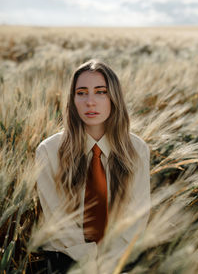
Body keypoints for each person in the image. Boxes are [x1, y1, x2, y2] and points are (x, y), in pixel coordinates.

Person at [35, 59, 151, 273]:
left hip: (120, 259)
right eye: (81, 92)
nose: (90, 101)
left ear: (114, 97)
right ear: (72, 99)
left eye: (101, 92)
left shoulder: (136, 149)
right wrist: (89, 263)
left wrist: (109, 263)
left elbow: (137, 215)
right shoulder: (48, 151)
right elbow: (59, 220)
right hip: (67, 258)